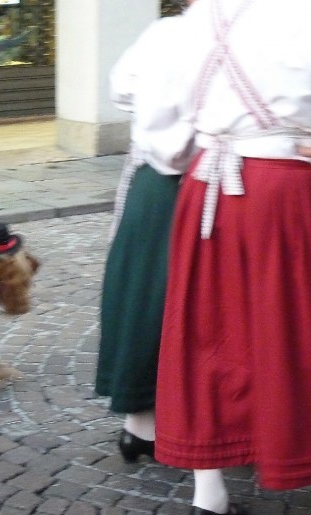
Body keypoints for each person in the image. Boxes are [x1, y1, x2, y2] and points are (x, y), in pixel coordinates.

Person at [152, 0, 311, 515]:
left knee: (205, 335)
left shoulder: (194, 15)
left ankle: (209, 496)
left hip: (206, 185)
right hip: (285, 186)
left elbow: (163, 129)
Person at [94, 0, 196, 463]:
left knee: (142, 296)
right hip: (200, 183)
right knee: (182, 302)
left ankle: (140, 425)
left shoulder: (162, 33)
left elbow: (123, 90)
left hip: (152, 183)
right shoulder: (229, 33)